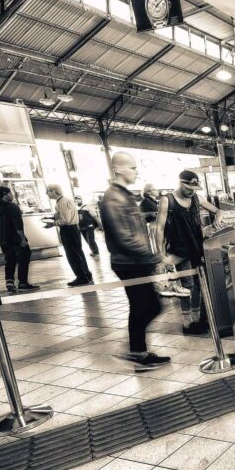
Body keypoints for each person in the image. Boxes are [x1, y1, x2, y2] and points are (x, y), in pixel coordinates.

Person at [100, 152, 171, 371]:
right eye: (131, 167)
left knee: (143, 306)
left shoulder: (124, 196)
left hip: (133, 260)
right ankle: (134, 351)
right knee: (149, 305)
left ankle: (137, 351)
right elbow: (125, 237)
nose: (135, 171)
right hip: (129, 262)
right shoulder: (113, 198)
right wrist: (153, 259)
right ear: (118, 169)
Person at [153, 171, 223, 336]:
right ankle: (187, 323)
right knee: (187, 286)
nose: (192, 191)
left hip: (197, 248)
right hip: (179, 251)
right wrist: (161, 255)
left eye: (194, 187)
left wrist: (217, 219)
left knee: (199, 285)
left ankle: (196, 319)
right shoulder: (167, 200)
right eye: (189, 187)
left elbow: (218, 211)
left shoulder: (197, 199)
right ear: (180, 183)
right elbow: (159, 229)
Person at [0, 186, 39, 294]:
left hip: (2, 240)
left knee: (10, 259)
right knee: (24, 258)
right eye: (10, 193)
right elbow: (18, 225)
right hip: (16, 238)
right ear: (5, 194)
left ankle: (9, 281)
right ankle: (23, 283)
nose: (12, 195)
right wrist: (22, 239)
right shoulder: (12, 207)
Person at [47, 184, 93, 287]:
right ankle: (86, 274)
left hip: (68, 230)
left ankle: (81, 277)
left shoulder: (62, 202)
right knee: (78, 253)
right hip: (73, 229)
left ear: (54, 191)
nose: (47, 193)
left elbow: (66, 220)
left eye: (48, 191)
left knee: (72, 254)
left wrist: (53, 224)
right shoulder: (64, 201)